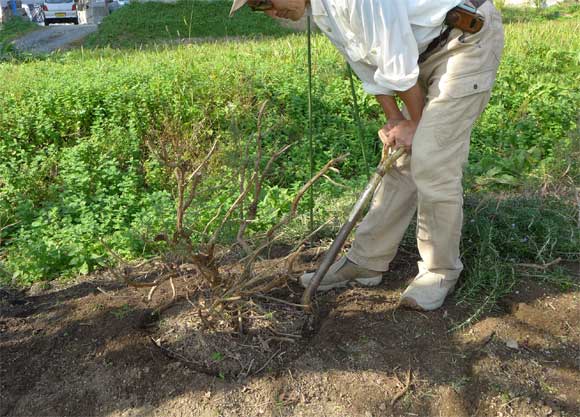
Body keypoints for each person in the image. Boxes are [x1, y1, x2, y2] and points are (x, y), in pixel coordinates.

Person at [230, 0, 504, 311]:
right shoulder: (322, 12)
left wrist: (415, 123)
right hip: (421, 53)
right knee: (400, 157)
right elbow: (369, 69)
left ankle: (440, 271)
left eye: (265, 0)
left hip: (463, 46)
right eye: (256, 7)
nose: (269, 11)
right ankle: (366, 261)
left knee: (432, 158)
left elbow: (395, 61)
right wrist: (395, 121)